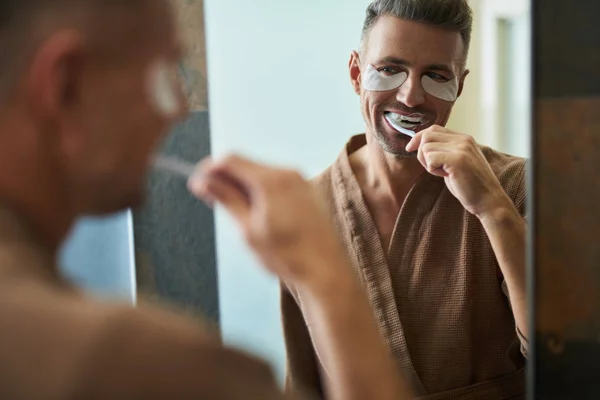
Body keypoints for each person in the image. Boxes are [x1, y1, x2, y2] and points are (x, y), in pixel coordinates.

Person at [0, 0, 410, 398]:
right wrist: (325, 271)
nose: (178, 109)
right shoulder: (129, 363)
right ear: (65, 84)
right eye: (162, 75)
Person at [281, 1, 528, 399]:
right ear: (357, 73)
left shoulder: (517, 187)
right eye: (390, 69)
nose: (411, 96)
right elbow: (303, 382)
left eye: (435, 75)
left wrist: (494, 209)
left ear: (458, 86)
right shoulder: (305, 208)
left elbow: (565, 352)